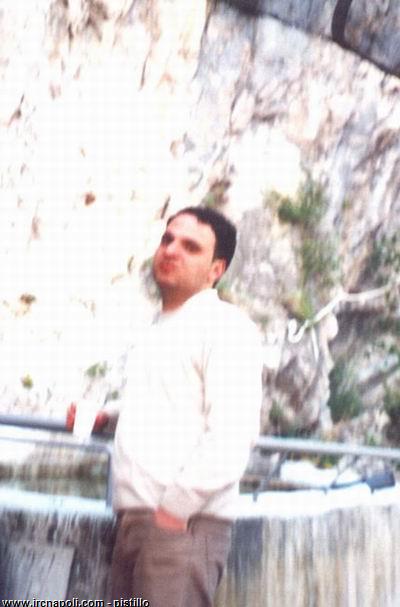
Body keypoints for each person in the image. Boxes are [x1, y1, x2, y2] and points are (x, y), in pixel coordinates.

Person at [68, 206, 263, 606]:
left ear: (216, 269)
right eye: (167, 239)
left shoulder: (227, 327)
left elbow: (232, 434)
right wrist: (105, 417)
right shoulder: (158, 328)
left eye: (191, 247)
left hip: (181, 527)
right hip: (137, 521)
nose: (172, 250)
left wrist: (174, 510)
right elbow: (166, 406)